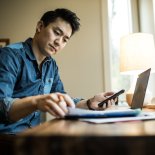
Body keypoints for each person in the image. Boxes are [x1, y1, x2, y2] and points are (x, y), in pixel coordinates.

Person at [0, 8, 116, 134]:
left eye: (65, 39)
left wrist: (89, 103)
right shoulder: (10, 55)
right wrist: (37, 101)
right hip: (7, 138)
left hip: (33, 136)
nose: (58, 42)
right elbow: (2, 105)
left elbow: (63, 100)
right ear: (40, 26)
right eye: (56, 32)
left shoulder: (51, 65)